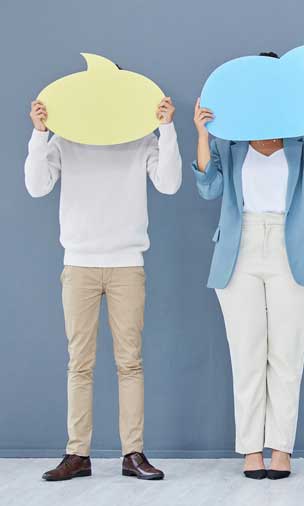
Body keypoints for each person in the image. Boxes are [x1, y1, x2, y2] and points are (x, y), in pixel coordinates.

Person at [192, 51, 304, 480]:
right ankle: (250, 450)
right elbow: (208, 187)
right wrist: (202, 134)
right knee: (247, 354)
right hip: (238, 251)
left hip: (291, 248)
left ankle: (282, 449)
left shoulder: (302, 138)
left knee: (288, 355)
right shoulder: (229, 140)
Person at [25, 89, 181, 481]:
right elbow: (36, 185)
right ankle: (77, 453)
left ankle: (133, 453)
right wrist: (40, 134)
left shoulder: (140, 138)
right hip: (78, 263)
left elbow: (170, 183)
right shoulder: (66, 138)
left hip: (127, 262)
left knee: (130, 363)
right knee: (80, 364)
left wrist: (167, 130)